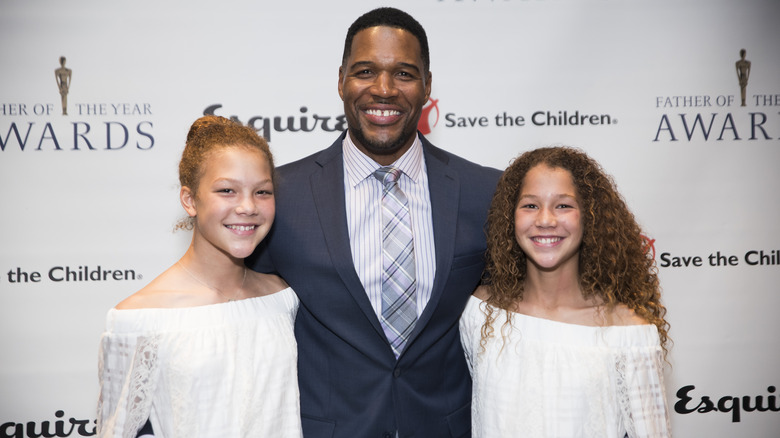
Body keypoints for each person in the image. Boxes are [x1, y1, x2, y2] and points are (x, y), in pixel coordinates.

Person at [247, 7, 501, 438]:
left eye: (404, 74)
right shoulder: (279, 195)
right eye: (366, 71)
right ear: (342, 79)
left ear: (427, 85)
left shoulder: (488, 193)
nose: (383, 90)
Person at [96, 115, 302, 437]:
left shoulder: (282, 299)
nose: (247, 206)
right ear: (190, 200)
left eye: (262, 192)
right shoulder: (138, 318)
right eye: (227, 190)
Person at [460, 146, 671, 437]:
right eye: (530, 205)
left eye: (563, 206)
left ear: (590, 218)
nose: (545, 220)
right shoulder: (480, 312)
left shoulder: (629, 333)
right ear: (510, 217)